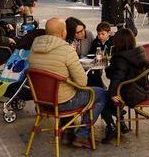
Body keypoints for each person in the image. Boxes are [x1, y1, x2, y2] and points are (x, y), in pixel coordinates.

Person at [28, 18, 107, 149]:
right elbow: (82, 82)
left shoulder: (34, 46)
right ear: (64, 32)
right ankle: (82, 134)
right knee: (100, 94)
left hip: (41, 102)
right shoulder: (66, 50)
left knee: (65, 90)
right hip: (63, 103)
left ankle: (67, 132)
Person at [103, 28, 149, 144]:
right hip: (142, 90)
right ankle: (120, 121)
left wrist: (113, 93)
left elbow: (116, 78)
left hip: (131, 94)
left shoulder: (120, 58)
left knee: (102, 97)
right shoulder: (139, 53)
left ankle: (112, 125)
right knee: (110, 95)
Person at [86, 22, 112, 88]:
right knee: (92, 71)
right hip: (98, 62)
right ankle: (97, 84)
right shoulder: (96, 41)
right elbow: (91, 52)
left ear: (109, 33)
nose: (100, 36)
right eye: (98, 34)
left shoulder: (112, 42)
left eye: (103, 34)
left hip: (109, 62)